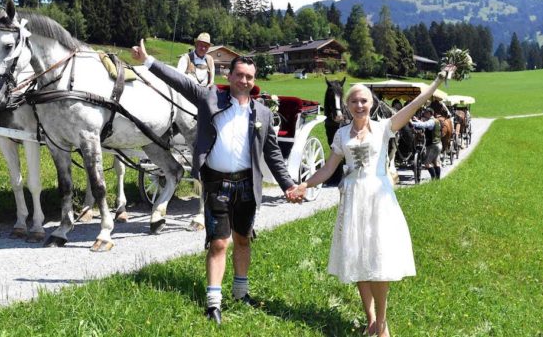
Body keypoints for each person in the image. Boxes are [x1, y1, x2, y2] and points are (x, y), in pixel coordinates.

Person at [132, 39, 299, 325]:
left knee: (243, 239)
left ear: (253, 80)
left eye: (249, 76)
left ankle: (241, 292)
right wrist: (148, 61)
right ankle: (213, 303)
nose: (244, 80)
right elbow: (179, 81)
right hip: (216, 183)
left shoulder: (263, 113)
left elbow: (272, 153)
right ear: (229, 76)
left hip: (247, 183)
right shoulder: (210, 97)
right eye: (239, 75)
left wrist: (288, 186)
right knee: (219, 243)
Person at [288, 65, 455, 337]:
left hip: (379, 198)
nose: (359, 105)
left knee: (379, 260)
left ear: (371, 103)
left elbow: (414, 105)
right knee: (358, 259)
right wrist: (305, 184)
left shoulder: (384, 127)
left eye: (364, 100)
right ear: (347, 105)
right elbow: (329, 168)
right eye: (353, 101)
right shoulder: (342, 135)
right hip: (353, 199)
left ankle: (382, 324)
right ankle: (370, 318)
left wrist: (436, 82)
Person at [411, 108, 443, 180]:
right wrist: (417, 120)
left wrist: (411, 123)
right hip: (438, 144)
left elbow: (424, 125)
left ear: (429, 113)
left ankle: (433, 178)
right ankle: (438, 180)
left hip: (433, 145)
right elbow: (425, 123)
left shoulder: (431, 121)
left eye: (425, 113)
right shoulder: (436, 120)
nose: (424, 114)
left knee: (427, 164)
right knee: (435, 162)